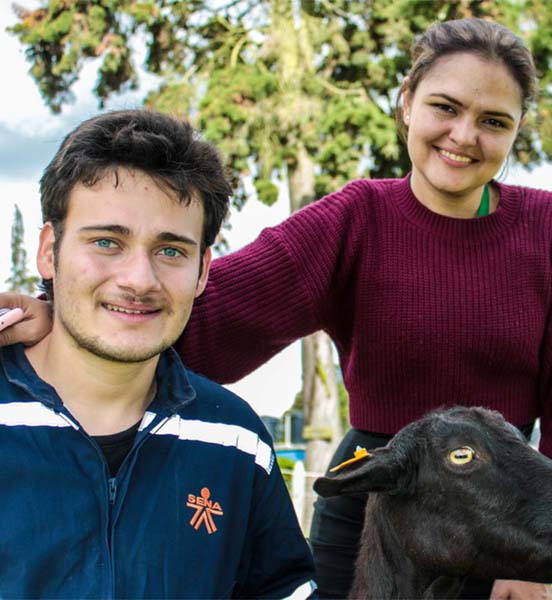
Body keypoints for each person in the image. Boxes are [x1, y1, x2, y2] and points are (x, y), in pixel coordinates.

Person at [1, 18, 552, 599]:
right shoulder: (355, 220)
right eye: (445, 108)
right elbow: (209, 310)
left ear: (517, 130)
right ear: (407, 102)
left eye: (493, 121)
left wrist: (539, 554)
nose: (463, 135)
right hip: (374, 503)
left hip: (505, 510)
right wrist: (64, 319)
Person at [0, 110, 317, 598]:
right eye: (107, 242)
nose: (139, 280)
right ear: (48, 250)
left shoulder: (234, 439)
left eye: (170, 251)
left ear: (203, 270)